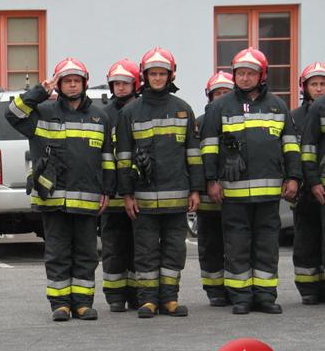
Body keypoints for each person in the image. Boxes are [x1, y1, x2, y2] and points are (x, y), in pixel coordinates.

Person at [7, 57, 114, 322]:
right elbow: (13, 114)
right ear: (59, 85)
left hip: (87, 198)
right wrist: (40, 91)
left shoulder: (100, 116)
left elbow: (107, 158)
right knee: (57, 253)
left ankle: (83, 304)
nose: (73, 85)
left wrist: (107, 191)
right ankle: (60, 304)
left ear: (84, 83)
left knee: (86, 253)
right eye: (67, 81)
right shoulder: (42, 112)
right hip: (52, 199)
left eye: (77, 80)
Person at [201, 47, 301, 315]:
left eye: (250, 73)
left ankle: (265, 296)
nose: (245, 78)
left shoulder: (278, 106)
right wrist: (211, 180)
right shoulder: (219, 107)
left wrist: (293, 177)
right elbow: (208, 147)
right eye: (240, 73)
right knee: (237, 245)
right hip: (233, 194)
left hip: (269, 193)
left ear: (262, 75)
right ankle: (241, 297)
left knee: (267, 245)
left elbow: (290, 146)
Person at [116, 47, 202, 318]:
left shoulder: (183, 109)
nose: (157, 78)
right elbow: (123, 157)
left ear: (170, 75)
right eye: (152, 73)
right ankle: (148, 301)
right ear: (145, 76)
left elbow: (193, 154)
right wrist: (127, 195)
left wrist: (196, 190)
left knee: (174, 251)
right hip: (143, 199)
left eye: (162, 73)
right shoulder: (130, 112)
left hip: (177, 197)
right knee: (146, 251)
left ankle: (170, 299)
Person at [100, 59, 140, 312]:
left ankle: (136, 294)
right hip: (112, 192)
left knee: (139, 247)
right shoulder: (104, 114)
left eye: (125, 83)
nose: (121, 87)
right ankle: (115, 296)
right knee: (113, 247)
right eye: (116, 83)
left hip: (138, 192)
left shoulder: (143, 110)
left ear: (135, 84)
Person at [196, 72, 234, 306]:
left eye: (225, 93)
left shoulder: (241, 121)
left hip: (236, 197)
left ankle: (235, 287)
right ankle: (215, 290)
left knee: (236, 245)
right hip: (207, 198)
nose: (221, 97)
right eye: (217, 93)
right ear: (209, 97)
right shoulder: (199, 123)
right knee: (210, 245)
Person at [294, 62, 325, 304]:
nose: (319, 88)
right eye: (314, 84)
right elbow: (301, 152)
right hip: (306, 188)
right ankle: (309, 289)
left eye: (323, 83)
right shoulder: (296, 116)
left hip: (319, 185)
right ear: (304, 87)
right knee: (306, 238)